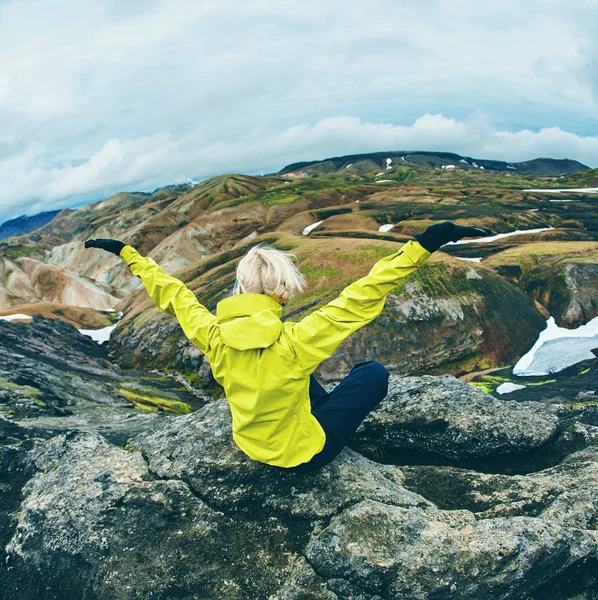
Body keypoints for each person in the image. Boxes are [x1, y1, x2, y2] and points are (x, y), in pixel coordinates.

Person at [85, 222, 492, 472]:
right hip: (303, 456)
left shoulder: (211, 334)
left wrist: (128, 253)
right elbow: (365, 291)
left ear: (240, 287)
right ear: (281, 294)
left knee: (299, 377)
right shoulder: (295, 340)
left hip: (252, 447)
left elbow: (173, 294)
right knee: (371, 373)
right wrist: (425, 244)